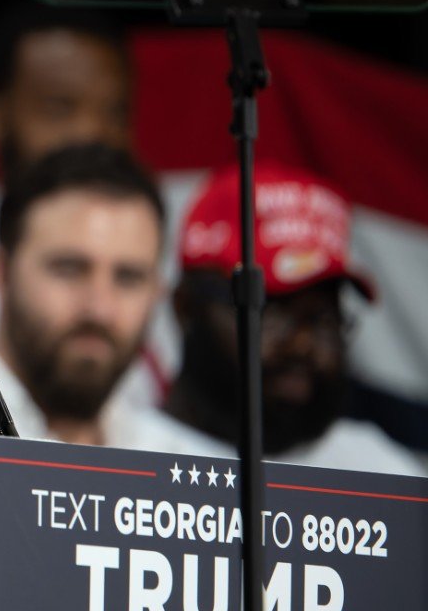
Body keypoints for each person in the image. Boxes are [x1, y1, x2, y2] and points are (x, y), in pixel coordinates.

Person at [118, 163, 422, 475]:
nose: (303, 343)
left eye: (324, 320)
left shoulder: (384, 474)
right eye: (268, 311)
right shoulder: (115, 465)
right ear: (185, 308)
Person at [0, 144, 167, 445]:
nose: (99, 308)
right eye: (69, 269)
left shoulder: (198, 473)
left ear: (158, 291)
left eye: (128, 278)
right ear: (0, 272)